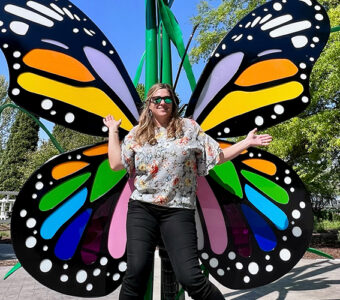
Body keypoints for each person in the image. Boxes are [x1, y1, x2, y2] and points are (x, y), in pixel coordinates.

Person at [103, 83, 272, 300]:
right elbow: (116, 163)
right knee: (136, 273)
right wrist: (113, 130)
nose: (162, 102)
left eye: (167, 98)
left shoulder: (189, 128)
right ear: (149, 105)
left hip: (178, 210)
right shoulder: (138, 133)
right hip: (142, 209)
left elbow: (217, 156)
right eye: (157, 99)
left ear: (173, 103)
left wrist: (246, 143)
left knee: (191, 278)